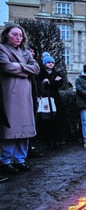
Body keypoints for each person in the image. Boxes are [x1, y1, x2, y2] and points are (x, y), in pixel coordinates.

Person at [0, 23, 40, 174]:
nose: (18, 38)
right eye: (14, 34)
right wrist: (26, 68)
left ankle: (20, 159)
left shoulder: (24, 51)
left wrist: (20, 67)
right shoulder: (2, 48)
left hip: (26, 94)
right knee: (10, 129)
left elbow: (36, 68)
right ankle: (5, 161)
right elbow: (5, 66)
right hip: (10, 93)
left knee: (25, 128)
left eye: (20, 35)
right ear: (6, 35)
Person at [36, 52, 64, 149]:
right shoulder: (40, 73)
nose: (51, 64)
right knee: (46, 119)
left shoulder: (57, 73)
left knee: (56, 119)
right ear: (44, 64)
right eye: (48, 63)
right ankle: (47, 141)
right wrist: (53, 82)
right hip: (45, 98)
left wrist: (51, 82)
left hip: (55, 98)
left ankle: (57, 140)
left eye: (52, 62)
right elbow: (42, 86)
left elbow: (58, 84)